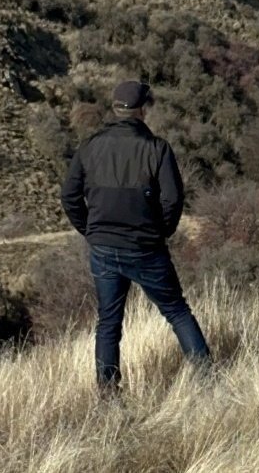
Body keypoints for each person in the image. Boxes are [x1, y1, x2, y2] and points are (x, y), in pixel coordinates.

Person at [60, 80, 210, 392]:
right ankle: (207, 380)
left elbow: (69, 197)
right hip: (145, 246)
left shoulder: (89, 146)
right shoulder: (157, 149)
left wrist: (90, 230)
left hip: (103, 247)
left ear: (115, 108)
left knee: (108, 323)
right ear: (143, 110)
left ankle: (108, 394)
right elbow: (172, 200)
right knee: (177, 312)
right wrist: (161, 231)